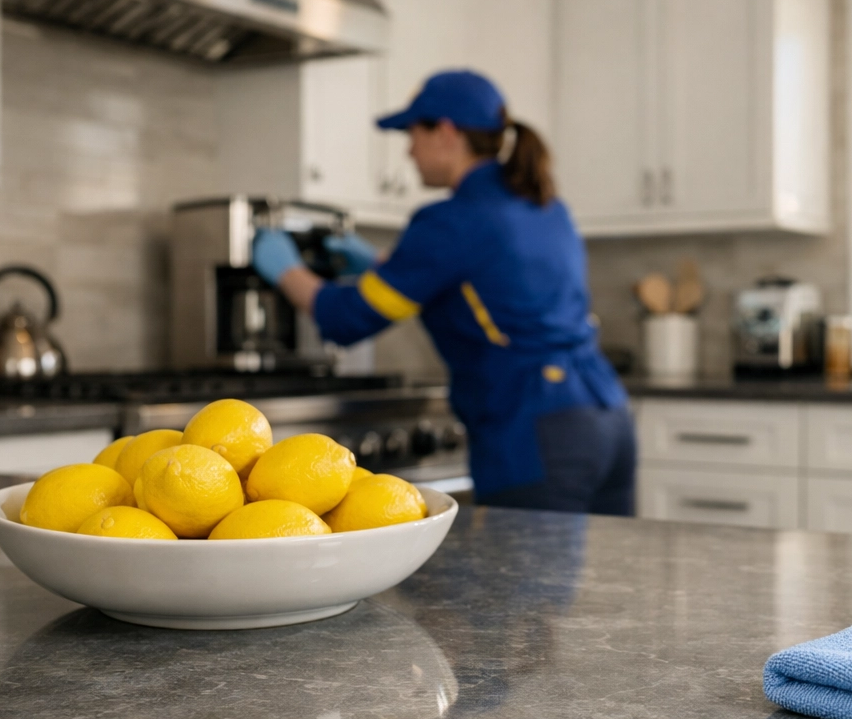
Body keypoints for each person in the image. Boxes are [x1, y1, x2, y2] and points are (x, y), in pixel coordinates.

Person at [251, 70, 635, 516]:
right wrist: (380, 265)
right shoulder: (544, 205)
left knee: (527, 584)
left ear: (446, 132)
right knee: (608, 578)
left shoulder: (451, 220)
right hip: (608, 418)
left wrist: (286, 270)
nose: (409, 150)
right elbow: (482, 279)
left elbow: (347, 318)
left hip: (535, 430)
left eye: (413, 133)